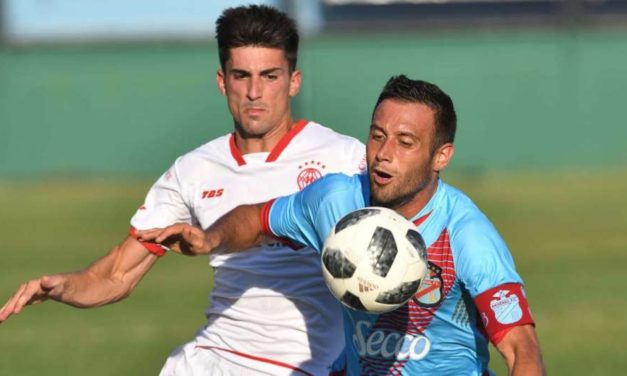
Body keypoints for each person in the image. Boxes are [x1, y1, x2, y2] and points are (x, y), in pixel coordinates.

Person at [0, 5, 366, 376]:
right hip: (209, 361)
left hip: (306, 366)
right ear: (223, 81)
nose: (255, 92)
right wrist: (65, 287)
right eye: (241, 76)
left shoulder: (344, 158)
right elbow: (117, 274)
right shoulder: (194, 170)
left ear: (294, 81)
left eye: (269, 76)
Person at [138, 75, 546, 375]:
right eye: (377, 136)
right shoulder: (335, 198)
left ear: (441, 156)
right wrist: (211, 238)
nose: (383, 155)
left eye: (406, 143)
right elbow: (256, 218)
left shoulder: (465, 233)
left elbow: (522, 350)